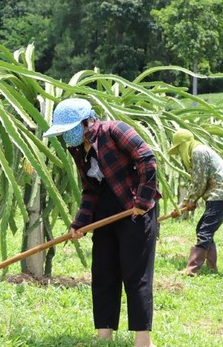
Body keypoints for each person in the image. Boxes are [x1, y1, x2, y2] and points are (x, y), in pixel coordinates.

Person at [43, 98, 161, 347]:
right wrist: (80, 223)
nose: (66, 137)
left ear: (87, 122)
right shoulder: (77, 149)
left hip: (135, 210)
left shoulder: (115, 130)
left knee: (135, 274)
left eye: (69, 130)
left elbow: (147, 159)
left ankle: (143, 340)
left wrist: (143, 200)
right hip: (105, 213)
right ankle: (104, 336)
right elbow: (90, 190)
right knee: (103, 272)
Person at [168, 129, 223, 276]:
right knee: (205, 228)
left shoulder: (198, 152)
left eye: (179, 149)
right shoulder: (200, 150)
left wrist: (187, 202)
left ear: (184, 144)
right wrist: (187, 203)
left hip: (221, 194)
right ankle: (211, 267)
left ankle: (192, 269)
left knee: (204, 230)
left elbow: (199, 182)